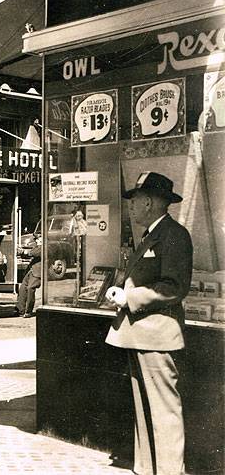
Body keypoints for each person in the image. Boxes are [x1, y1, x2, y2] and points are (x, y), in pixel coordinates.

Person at [104, 172, 192, 475]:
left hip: (157, 336)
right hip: (140, 335)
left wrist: (128, 297)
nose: (130, 206)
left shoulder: (174, 235)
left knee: (163, 410)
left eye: (135, 200)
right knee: (144, 409)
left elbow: (173, 286)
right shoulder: (152, 235)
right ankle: (147, 468)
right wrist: (123, 292)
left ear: (151, 202)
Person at [17, 233, 42, 318]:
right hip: (30, 271)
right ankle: (21, 310)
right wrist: (21, 253)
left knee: (30, 288)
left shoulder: (45, 247)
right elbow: (30, 254)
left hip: (38, 272)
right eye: (36, 239)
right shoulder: (37, 247)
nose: (37, 240)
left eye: (39, 238)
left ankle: (28, 311)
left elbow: (35, 253)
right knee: (22, 288)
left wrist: (24, 251)